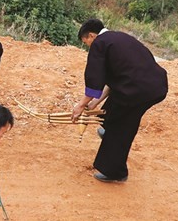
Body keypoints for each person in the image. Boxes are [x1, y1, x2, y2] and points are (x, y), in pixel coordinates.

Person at [72, 19, 168, 183]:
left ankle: (115, 172)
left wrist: (80, 105)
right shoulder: (118, 38)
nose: (87, 46)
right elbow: (115, 81)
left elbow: (94, 79)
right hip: (155, 85)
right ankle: (106, 127)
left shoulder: (99, 44)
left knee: (121, 127)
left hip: (138, 89)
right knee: (119, 105)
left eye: (85, 42)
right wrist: (94, 103)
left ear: (91, 35)